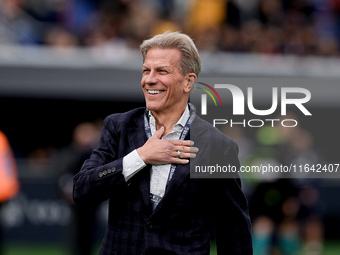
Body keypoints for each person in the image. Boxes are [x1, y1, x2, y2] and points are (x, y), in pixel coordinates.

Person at [73, 31, 252, 255]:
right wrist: (140, 157)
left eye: (162, 71)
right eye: (146, 70)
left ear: (188, 81)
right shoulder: (118, 127)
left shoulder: (217, 146)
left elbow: (233, 232)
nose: (149, 79)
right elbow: (82, 190)